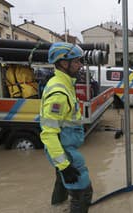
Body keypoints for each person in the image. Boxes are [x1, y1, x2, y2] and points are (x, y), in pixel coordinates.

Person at [40, 42, 92, 213]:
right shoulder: (59, 94)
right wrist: (65, 166)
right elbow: (48, 134)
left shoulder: (62, 82)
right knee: (83, 193)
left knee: (62, 182)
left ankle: (56, 206)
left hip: (63, 149)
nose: (80, 65)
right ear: (63, 63)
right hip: (65, 151)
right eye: (76, 61)